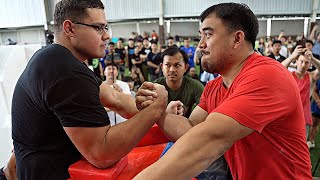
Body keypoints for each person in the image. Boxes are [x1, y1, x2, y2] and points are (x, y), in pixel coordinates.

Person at [134, 3, 312, 179]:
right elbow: (191, 130)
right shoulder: (214, 87)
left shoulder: (268, 76)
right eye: (200, 36)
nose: (200, 45)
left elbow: (206, 142)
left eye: (208, 35)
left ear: (237, 39)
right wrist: (159, 110)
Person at [11, 0, 168, 179]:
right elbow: (102, 154)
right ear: (69, 29)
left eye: (105, 27)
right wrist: (155, 110)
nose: (107, 36)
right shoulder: (64, 70)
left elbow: (116, 99)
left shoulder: (56, 58)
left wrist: (156, 110)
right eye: (98, 28)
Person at [282, 45, 320, 140]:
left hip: (304, 117)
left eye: (307, 63)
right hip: (288, 116)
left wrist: (313, 58)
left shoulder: (311, 77)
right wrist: (291, 57)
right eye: (301, 62)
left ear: (309, 65)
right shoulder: (289, 76)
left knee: (300, 147)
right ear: (296, 62)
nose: (303, 65)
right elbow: (278, 69)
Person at [154, 46, 204, 118]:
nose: (172, 70)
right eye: (168, 65)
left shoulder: (195, 86)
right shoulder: (154, 87)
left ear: (186, 67)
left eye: (177, 65)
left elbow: (206, 112)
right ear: (162, 67)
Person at [308, 79, 320, 148]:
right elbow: (313, 90)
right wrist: (318, 101)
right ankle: (311, 141)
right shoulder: (318, 77)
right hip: (317, 105)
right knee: (314, 122)